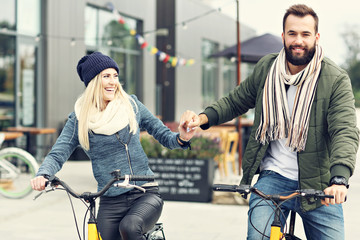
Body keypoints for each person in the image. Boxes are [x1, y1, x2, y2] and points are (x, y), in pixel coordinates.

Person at [180, 4, 359, 240]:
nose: (298, 40)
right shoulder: (267, 68)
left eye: (305, 34)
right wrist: (200, 119)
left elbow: (344, 130)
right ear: (283, 35)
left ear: (316, 37)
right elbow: (236, 101)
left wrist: (339, 179)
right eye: (292, 33)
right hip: (273, 178)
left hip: (319, 182)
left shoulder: (335, 79)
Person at [31, 51, 194, 240]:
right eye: (106, 76)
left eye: (115, 76)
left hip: (144, 192)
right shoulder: (79, 119)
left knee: (130, 227)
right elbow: (58, 153)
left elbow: (164, 135)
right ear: (92, 82)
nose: (113, 82)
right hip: (110, 200)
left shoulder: (131, 105)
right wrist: (43, 174)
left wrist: (182, 137)